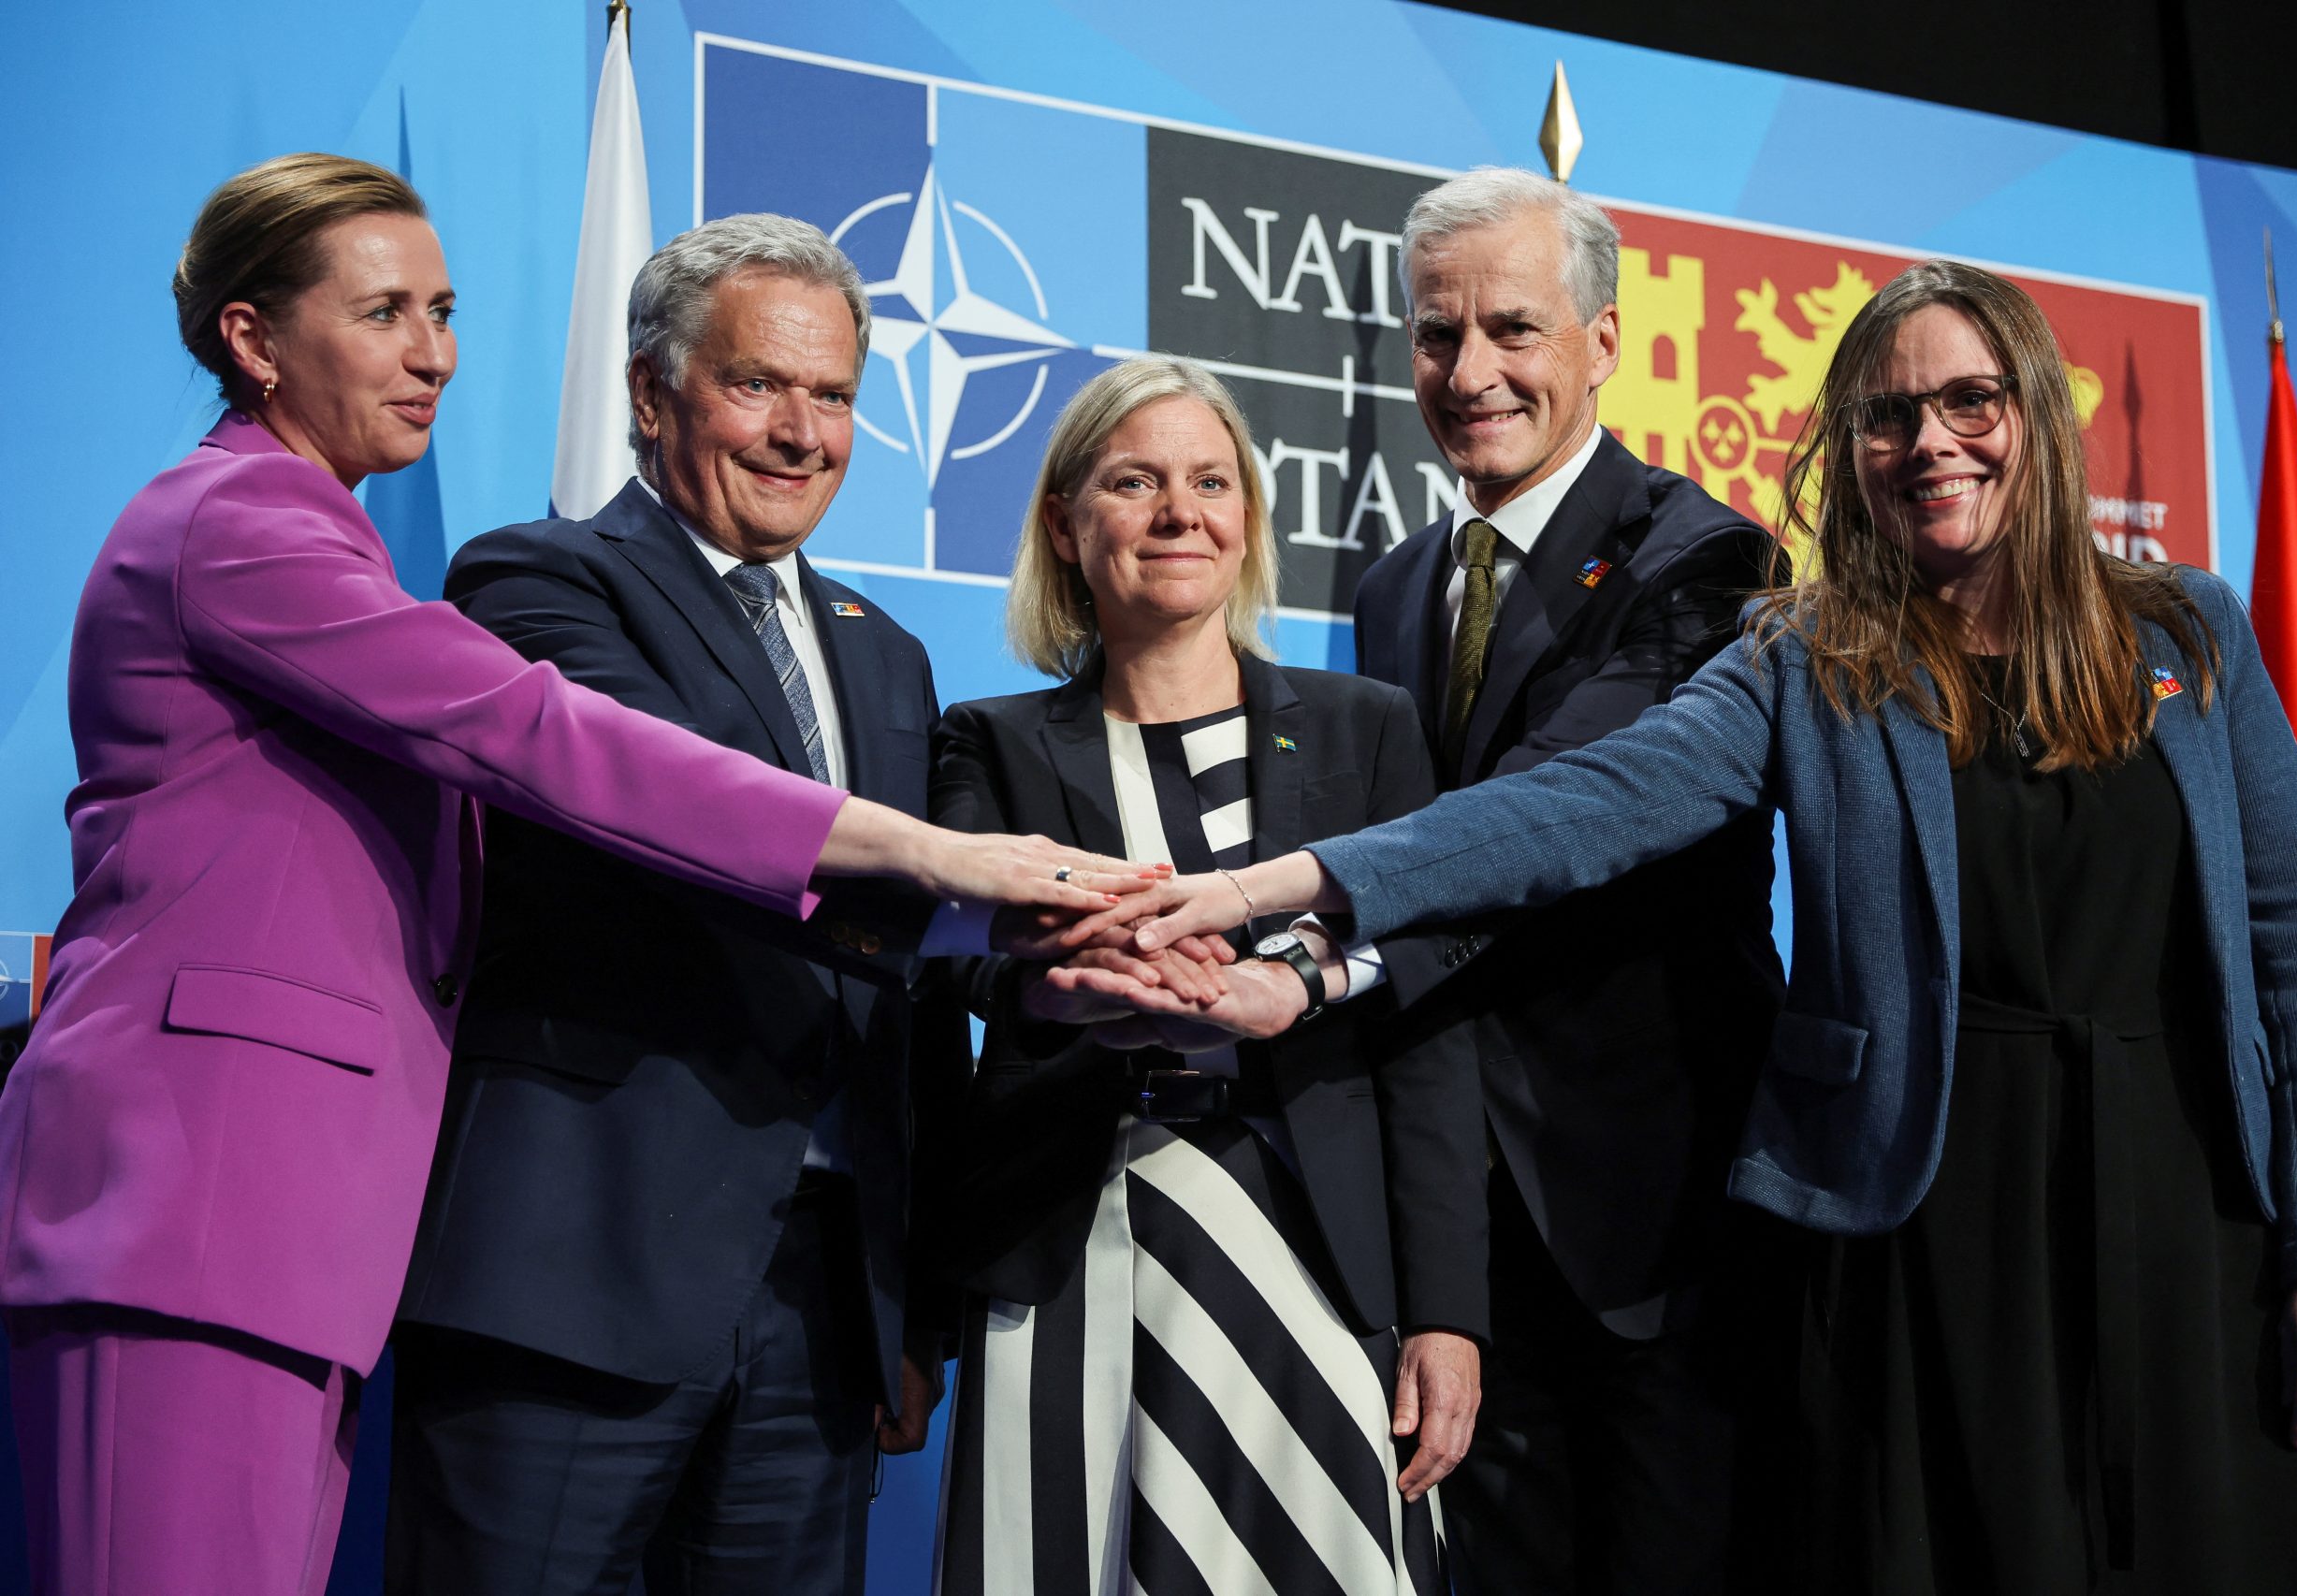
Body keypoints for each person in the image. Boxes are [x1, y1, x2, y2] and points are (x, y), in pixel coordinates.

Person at [1091, 259, 2297, 1594]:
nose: (1928, 444)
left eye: (1967, 402)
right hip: (1926, 1239)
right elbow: (1577, 806)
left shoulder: (2187, 633)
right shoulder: (1812, 656)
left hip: (2195, 1219)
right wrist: (1280, 884)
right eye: (1886, 417)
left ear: (2037, 417)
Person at [0, 154, 1145, 1596]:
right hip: (197, 1201)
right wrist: (919, 847)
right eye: (384, 312)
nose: (434, 353)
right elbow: (540, 735)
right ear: (252, 336)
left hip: (294, 1226)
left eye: (445, 308)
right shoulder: (244, 525)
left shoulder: (323, 532)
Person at [384, 214, 1010, 1593]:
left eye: (835, 395)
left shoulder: (889, 658)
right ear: (653, 391)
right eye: (758, 385)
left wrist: (912, 1305)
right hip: (577, 1280)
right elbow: (685, 814)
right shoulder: (535, 578)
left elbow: (906, 1006)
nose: (802, 432)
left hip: (819, 1310)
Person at [927, 356, 1487, 1596]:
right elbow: (962, 967)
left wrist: (1449, 1310)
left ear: (1248, 519)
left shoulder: (1367, 725)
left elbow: (1430, 1010)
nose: (1179, 513)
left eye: (1209, 480)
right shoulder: (987, 739)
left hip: (1313, 1251)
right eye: (1134, 482)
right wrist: (1063, 988)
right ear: (1068, 527)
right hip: (1066, 1246)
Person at [1342, 167, 1785, 1595]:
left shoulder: (1709, 559)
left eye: (1513, 331)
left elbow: (1538, 824)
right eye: (1435, 335)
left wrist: (1300, 944)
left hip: (1655, 1234)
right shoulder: (1393, 587)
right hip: (1464, 1246)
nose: (1470, 372)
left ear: (1602, 341)